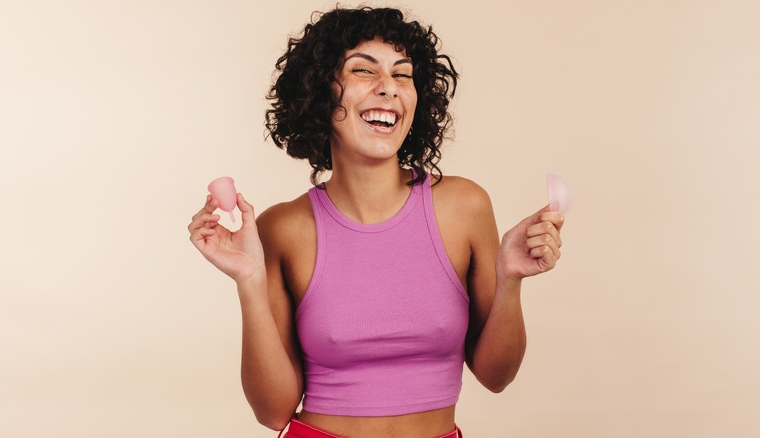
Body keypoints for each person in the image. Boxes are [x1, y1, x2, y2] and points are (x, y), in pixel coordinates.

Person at [187, 6, 564, 438]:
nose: (388, 88)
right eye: (364, 71)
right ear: (319, 93)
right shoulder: (283, 228)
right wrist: (249, 281)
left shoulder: (465, 205)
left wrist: (509, 278)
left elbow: (497, 376)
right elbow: (274, 411)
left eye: (402, 75)